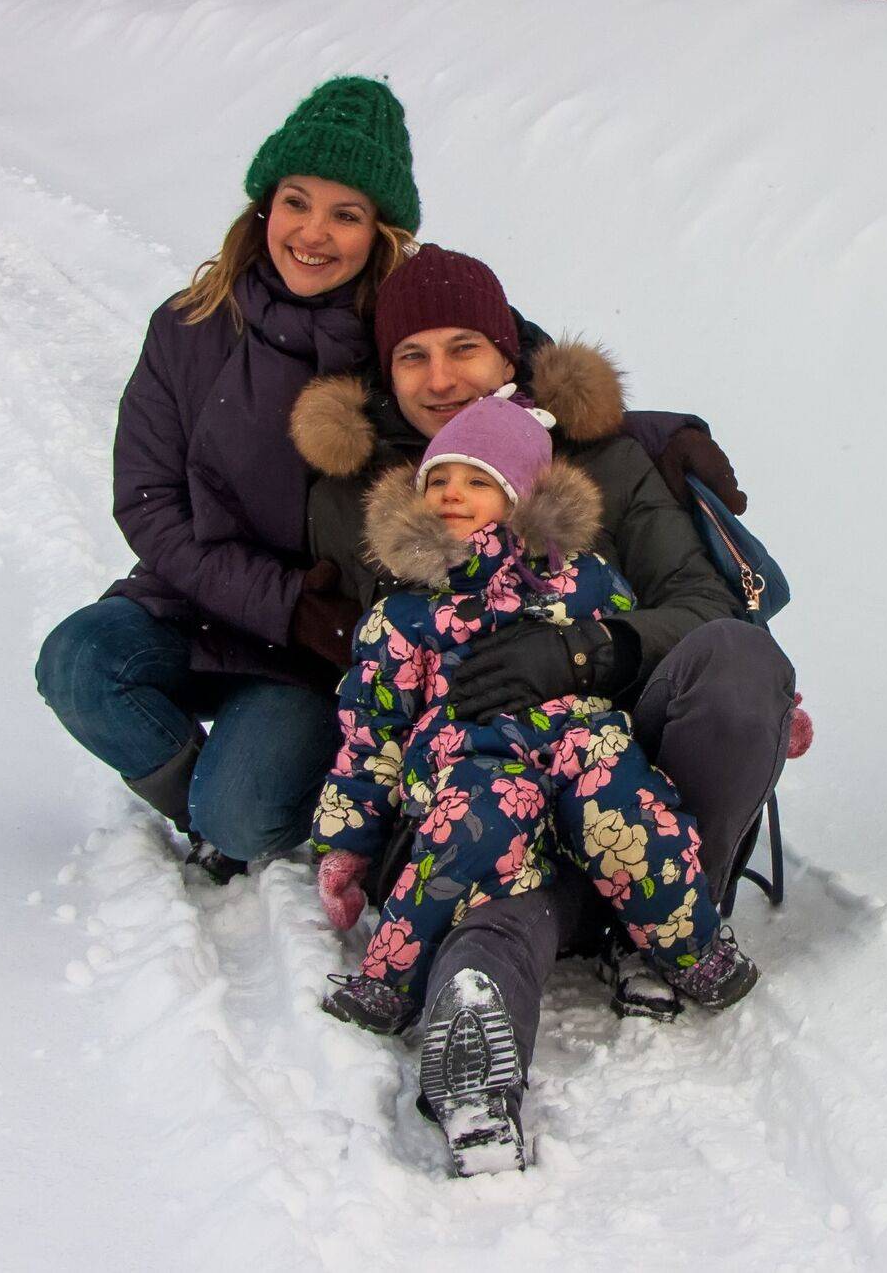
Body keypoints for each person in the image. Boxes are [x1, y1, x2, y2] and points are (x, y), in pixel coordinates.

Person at [291, 244, 795, 1174]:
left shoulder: (598, 485)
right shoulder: (366, 500)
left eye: (463, 348)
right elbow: (369, 717)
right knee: (488, 869)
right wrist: (348, 837)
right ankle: (470, 1048)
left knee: (639, 780)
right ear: (383, 373)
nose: (439, 377)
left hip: (602, 755)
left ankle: (678, 932)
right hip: (467, 783)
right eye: (411, 356)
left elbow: (704, 609)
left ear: (508, 352)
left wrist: (583, 650)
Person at [35, 76, 420, 880]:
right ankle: (198, 803)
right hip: (198, 604)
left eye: (345, 214)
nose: (312, 233)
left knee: (244, 816)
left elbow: (517, 376)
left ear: (380, 232)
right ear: (263, 206)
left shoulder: (406, 340)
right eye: (295, 202)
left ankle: (240, 803)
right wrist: (281, 601)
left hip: (318, 651)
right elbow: (147, 501)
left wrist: (664, 434)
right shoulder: (190, 326)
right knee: (78, 661)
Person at [313, 390, 756, 1069]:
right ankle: (391, 982)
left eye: (476, 481)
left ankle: (693, 950)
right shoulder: (404, 615)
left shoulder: (585, 582)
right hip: (470, 758)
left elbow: (645, 663)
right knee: (472, 827)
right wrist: (347, 842)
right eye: (438, 479)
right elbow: (371, 734)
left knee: (628, 805)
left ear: (520, 498)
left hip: (577, 737)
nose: (451, 493)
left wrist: (769, 704)